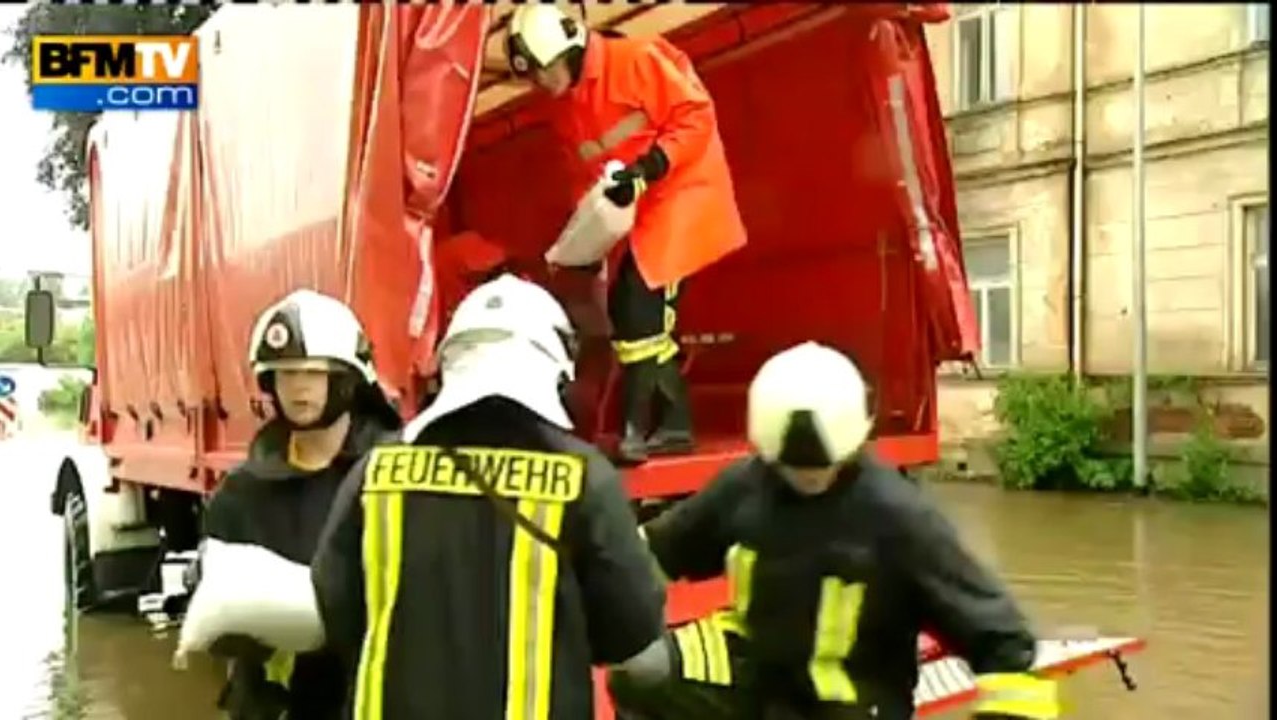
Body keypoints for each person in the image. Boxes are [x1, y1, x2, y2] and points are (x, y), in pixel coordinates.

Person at [608, 342, 1060, 720]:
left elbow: (1001, 641)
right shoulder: (747, 485)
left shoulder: (899, 519)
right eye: (794, 469)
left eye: (822, 468)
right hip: (759, 680)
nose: (809, 479)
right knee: (640, 670)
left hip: (850, 703)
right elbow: (655, 556)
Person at [311, 273, 671, 720]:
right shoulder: (582, 478)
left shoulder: (376, 471)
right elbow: (631, 637)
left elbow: (334, 601)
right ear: (557, 373)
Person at [505, 4, 748, 464]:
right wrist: (584, 239)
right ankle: (661, 425)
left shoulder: (635, 60)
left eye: (543, 70)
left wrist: (647, 169)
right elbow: (585, 175)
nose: (540, 82)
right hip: (638, 213)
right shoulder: (566, 108)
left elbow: (694, 116)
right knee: (629, 308)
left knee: (642, 307)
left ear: (569, 54)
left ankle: (655, 427)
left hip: (681, 195)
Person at [197, 289, 402, 720]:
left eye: (312, 372)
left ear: (347, 380)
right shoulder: (242, 492)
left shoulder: (396, 478)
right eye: (284, 374)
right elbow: (219, 624)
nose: (298, 387)